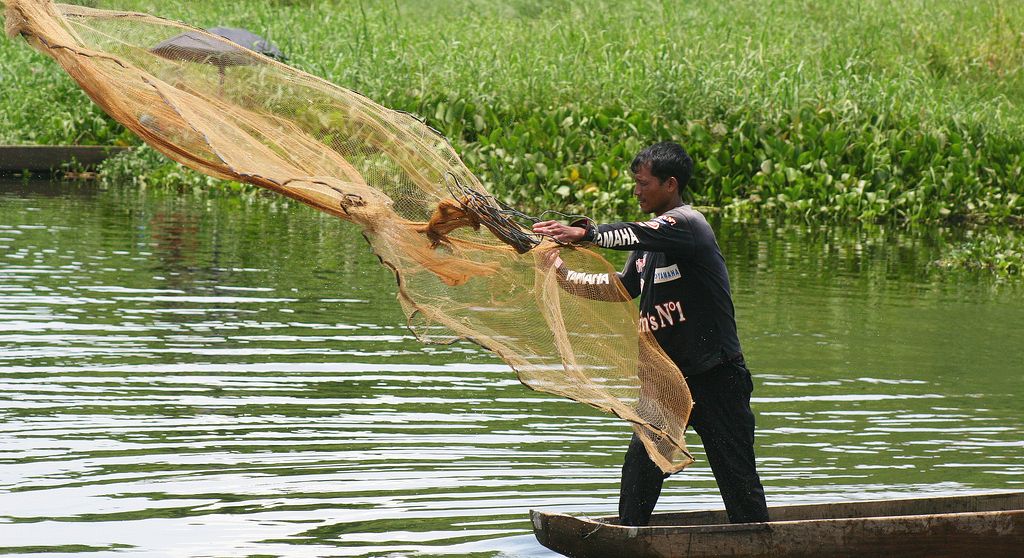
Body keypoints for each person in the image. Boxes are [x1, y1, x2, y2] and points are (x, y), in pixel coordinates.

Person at [531, 141, 769, 526]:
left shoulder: (688, 225)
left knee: (736, 477)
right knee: (639, 472)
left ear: (670, 185)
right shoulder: (647, 247)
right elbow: (619, 286)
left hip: (716, 376)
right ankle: (627, 538)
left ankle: (760, 542)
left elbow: (631, 233)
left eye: (643, 183)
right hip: (665, 382)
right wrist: (559, 273)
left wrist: (583, 233)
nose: (637, 191)